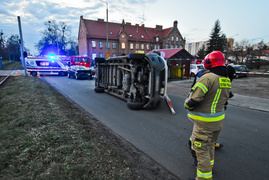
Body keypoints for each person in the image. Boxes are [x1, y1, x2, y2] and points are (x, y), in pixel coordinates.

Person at [184, 51, 232, 180]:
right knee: (210, 145)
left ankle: (204, 177)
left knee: (201, 151)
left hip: (204, 123)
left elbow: (194, 99)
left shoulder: (208, 77)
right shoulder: (226, 79)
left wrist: (187, 105)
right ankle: (209, 167)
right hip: (218, 122)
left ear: (209, 62)